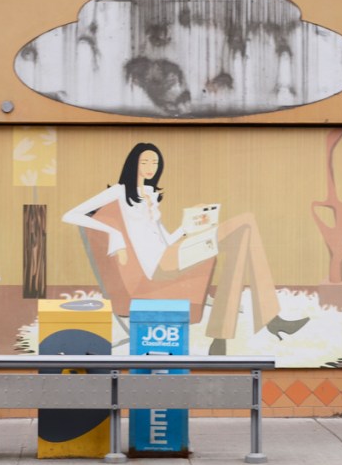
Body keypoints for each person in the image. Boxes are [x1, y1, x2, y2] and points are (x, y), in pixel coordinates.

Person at [62, 142, 307, 355]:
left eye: (155, 162)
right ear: (132, 164)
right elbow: (71, 215)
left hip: (169, 255)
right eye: (144, 161)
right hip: (155, 267)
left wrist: (188, 224)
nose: (150, 166)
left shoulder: (150, 194)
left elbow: (165, 239)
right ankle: (267, 322)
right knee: (245, 223)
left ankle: (221, 339)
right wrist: (115, 236)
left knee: (243, 236)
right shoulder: (118, 191)